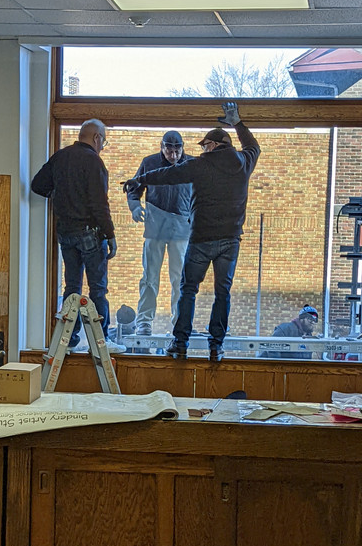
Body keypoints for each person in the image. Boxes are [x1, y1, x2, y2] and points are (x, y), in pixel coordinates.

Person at [123, 102, 260, 363]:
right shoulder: (244, 162)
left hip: (200, 239)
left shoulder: (200, 164)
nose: (203, 149)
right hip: (230, 240)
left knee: (187, 289)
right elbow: (253, 145)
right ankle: (216, 346)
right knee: (222, 293)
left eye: (205, 145)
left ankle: (180, 343)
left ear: (214, 145)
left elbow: (168, 175)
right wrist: (238, 123)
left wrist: (140, 180)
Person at [31, 119, 125, 353]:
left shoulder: (60, 157)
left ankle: (69, 341)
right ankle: (100, 341)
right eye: (103, 141)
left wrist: (59, 194)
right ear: (96, 137)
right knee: (97, 289)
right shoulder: (94, 162)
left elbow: (38, 185)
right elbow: (99, 204)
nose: (102, 146)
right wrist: (110, 234)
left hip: (65, 233)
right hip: (89, 233)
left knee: (72, 287)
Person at [125, 130, 192, 335]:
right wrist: (135, 206)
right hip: (155, 228)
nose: (173, 155)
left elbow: (205, 194)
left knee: (180, 279)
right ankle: (144, 321)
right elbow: (134, 188)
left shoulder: (192, 165)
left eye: (177, 151)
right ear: (161, 147)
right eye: (169, 151)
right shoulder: (150, 163)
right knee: (149, 277)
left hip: (181, 228)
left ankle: (179, 321)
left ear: (182, 148)